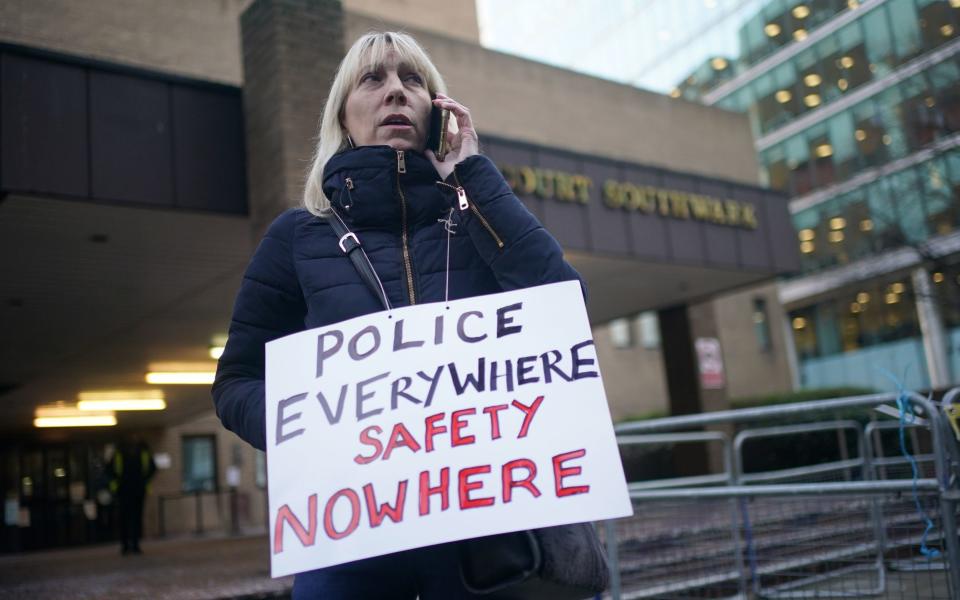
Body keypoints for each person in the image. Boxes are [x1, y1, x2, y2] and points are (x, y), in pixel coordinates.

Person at [212, 31, 582, 599]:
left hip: (484, 537)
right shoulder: (295, 238)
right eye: (373, 79)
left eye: (412, 80)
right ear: (344, 114)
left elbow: (562, 309)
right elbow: (237, 382)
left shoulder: (479, 214)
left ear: (437, 111)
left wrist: (475, 177)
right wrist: (311, 432)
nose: (395, 93)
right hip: (351, 535)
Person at [108, 434, 156, 555]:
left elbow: (152, 468)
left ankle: (133, 545)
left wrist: (144, 481)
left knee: (133, 518)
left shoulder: (142, 452)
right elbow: (110, 470)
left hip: (134, 490)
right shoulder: (120, 453)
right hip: (126, 490)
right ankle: (128, 546)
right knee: (127, 518)